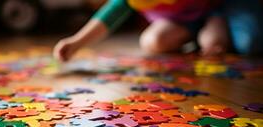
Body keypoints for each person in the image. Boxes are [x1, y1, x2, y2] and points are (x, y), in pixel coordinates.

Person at [53, 0, 228, 62]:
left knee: (213, 42)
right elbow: (110, 15)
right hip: (177, 21)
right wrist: (76, 42)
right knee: (152, 41)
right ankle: (194, 37)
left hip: (210, 12)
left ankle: (209, 33)